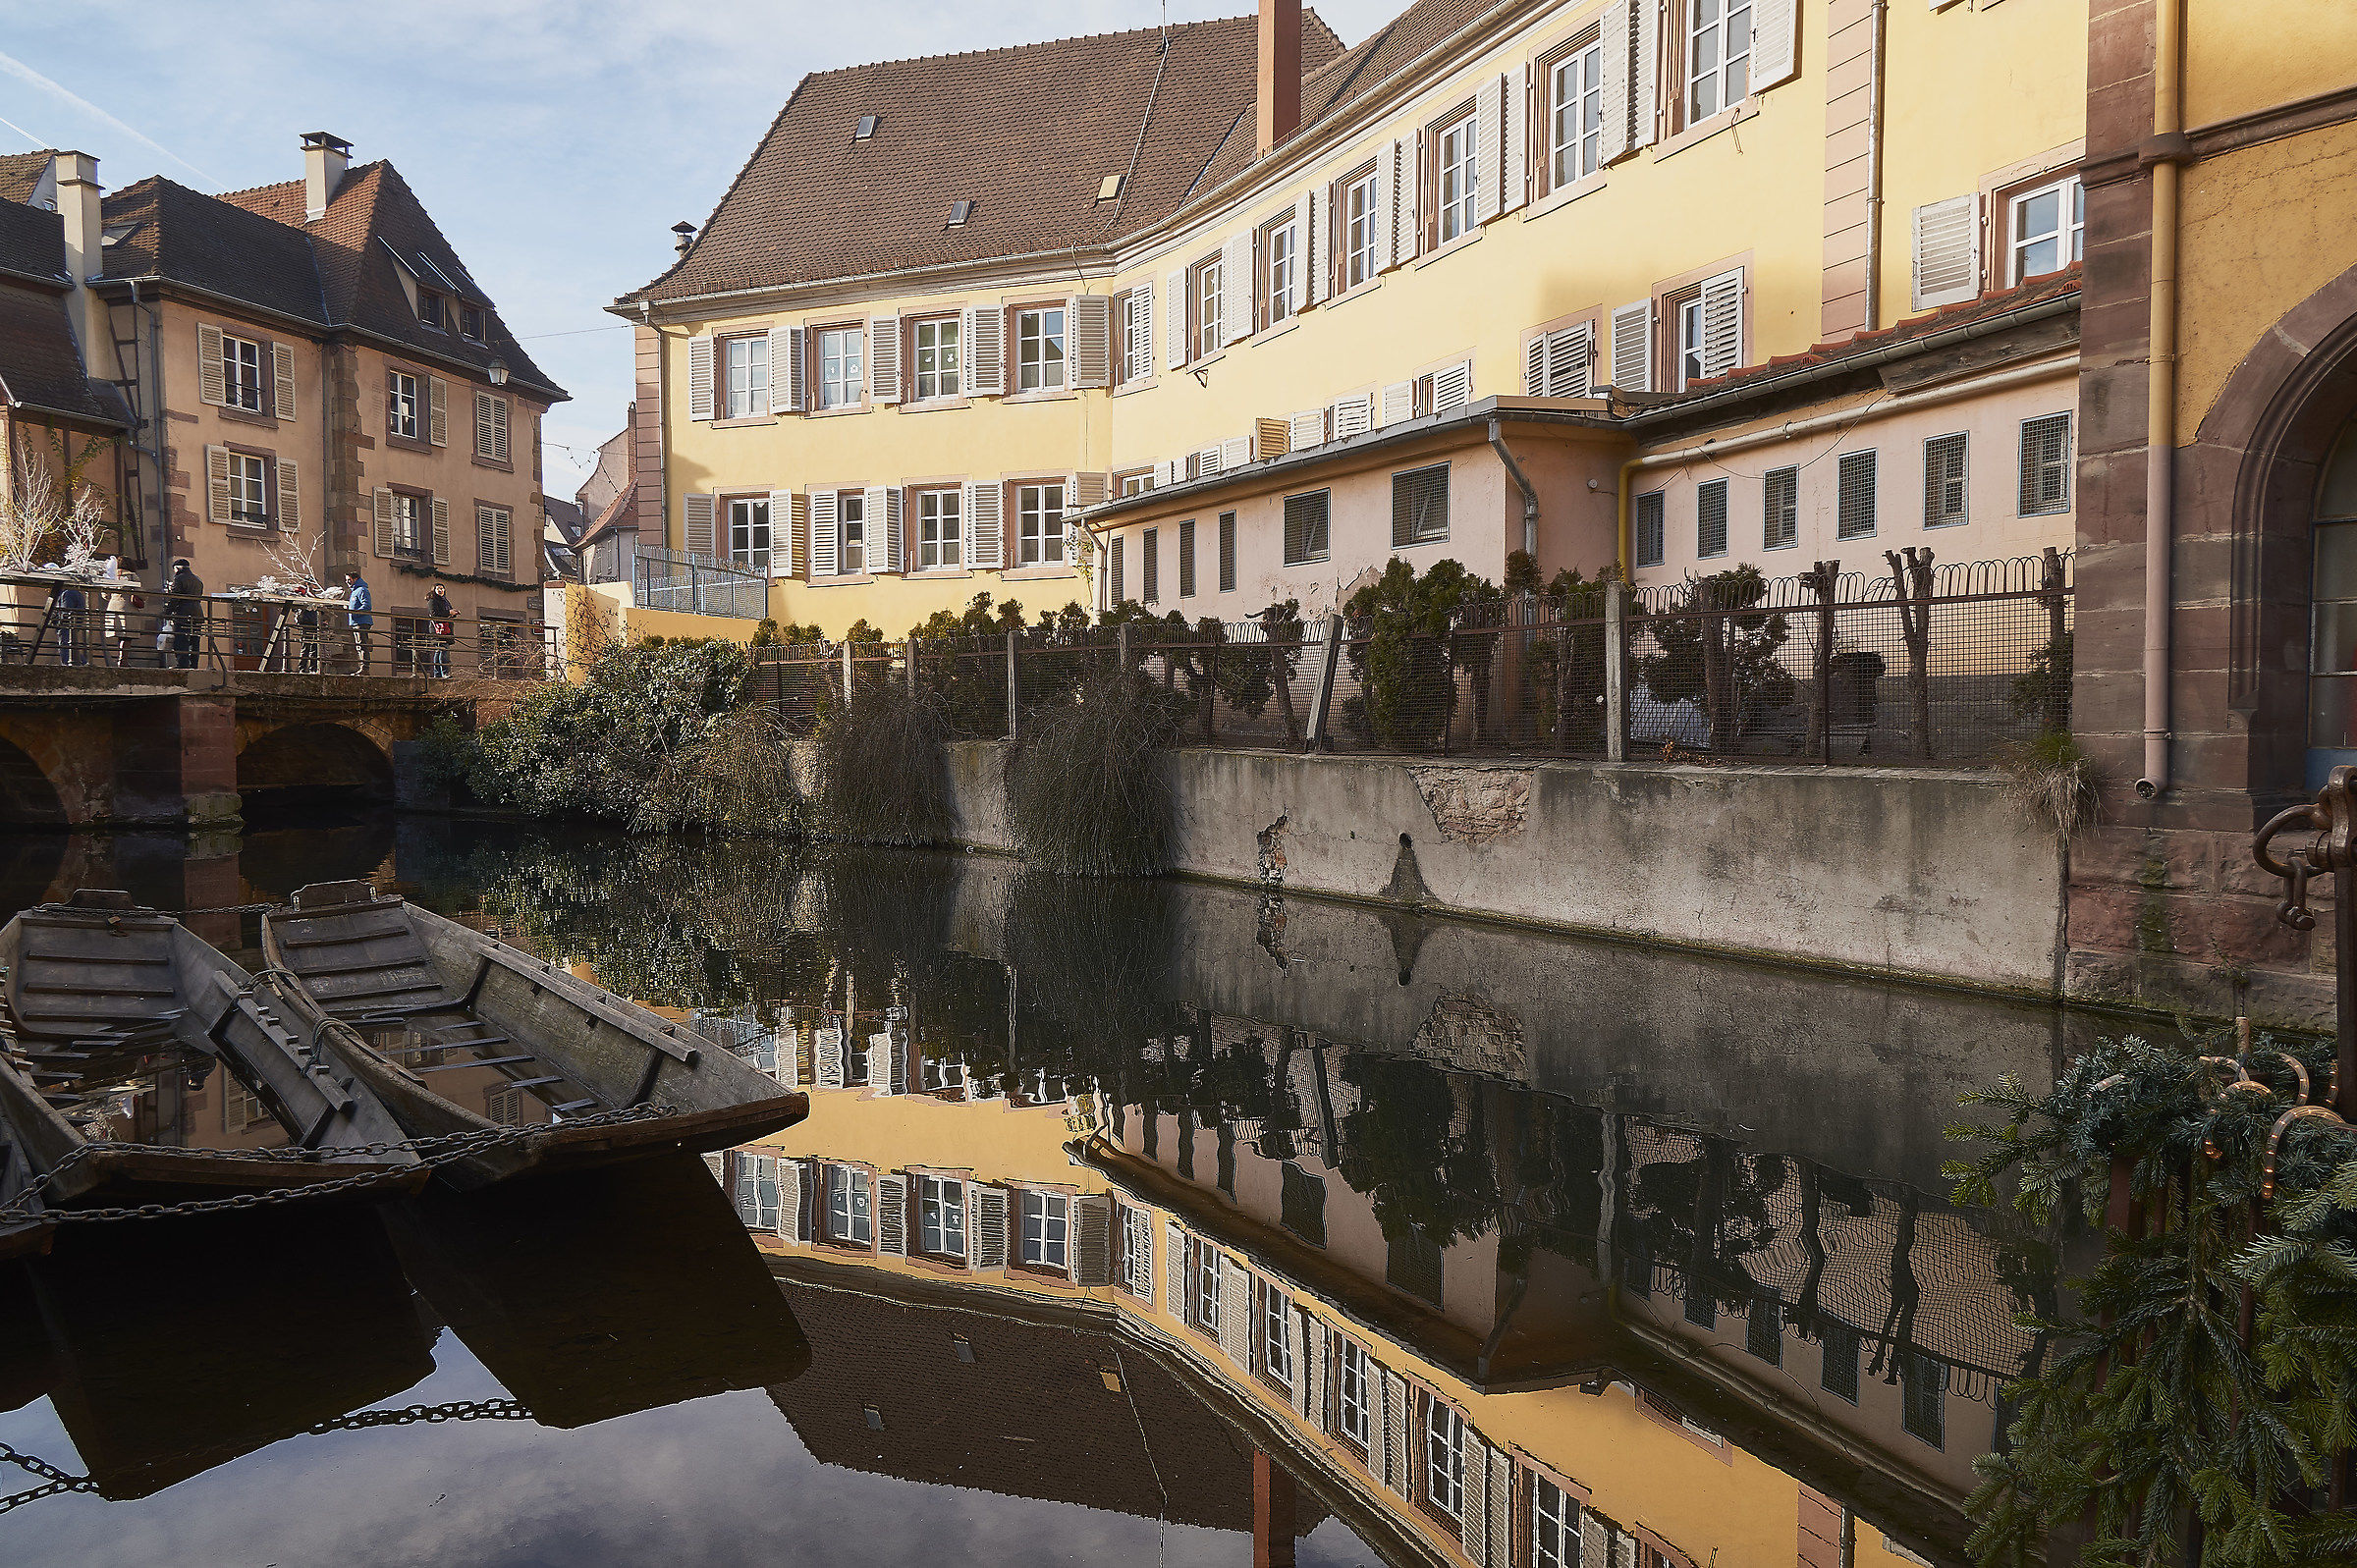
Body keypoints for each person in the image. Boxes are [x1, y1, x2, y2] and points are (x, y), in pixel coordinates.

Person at [165, 558, 203, 670]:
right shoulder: (198, 579)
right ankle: (194, 665)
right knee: (195, 640)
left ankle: (182, 664)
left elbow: (175, 597)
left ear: (176, 568)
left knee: (181, 640)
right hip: (197, 612)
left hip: (183, 612)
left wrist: (167, 612)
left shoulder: (179, 578)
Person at [49, 581, 85, 667]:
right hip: (75, 624)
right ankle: (82, 663)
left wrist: (56, 620)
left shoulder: (66, 594)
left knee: (65, 647)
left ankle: (70, 665)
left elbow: (65, 612)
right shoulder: (77, 593)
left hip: (66, 626)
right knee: (71, 647)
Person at [346, 572, 373, 673]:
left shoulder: (362, 590)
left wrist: (354, 613)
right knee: (359, 645)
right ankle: (362, 667)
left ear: (355, 579)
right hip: (356, 622)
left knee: (362, 644)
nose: (347, 582)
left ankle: (365, 667)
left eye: (349, 580)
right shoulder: (355, 591)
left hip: (361, 622)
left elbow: (367, 606)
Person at [425, 584, 455, 678]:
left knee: (439, 650)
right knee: (443, 649)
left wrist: (453, 613)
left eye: (442, 588)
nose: (440, 590)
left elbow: (447, 612)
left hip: (445, 629)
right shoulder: (432, 601)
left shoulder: (445, 601)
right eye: (438, 588)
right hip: (438, 630)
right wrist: (449, 612)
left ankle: (437, 674)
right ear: (434, 590)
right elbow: (434, 614)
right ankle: (444, 673)